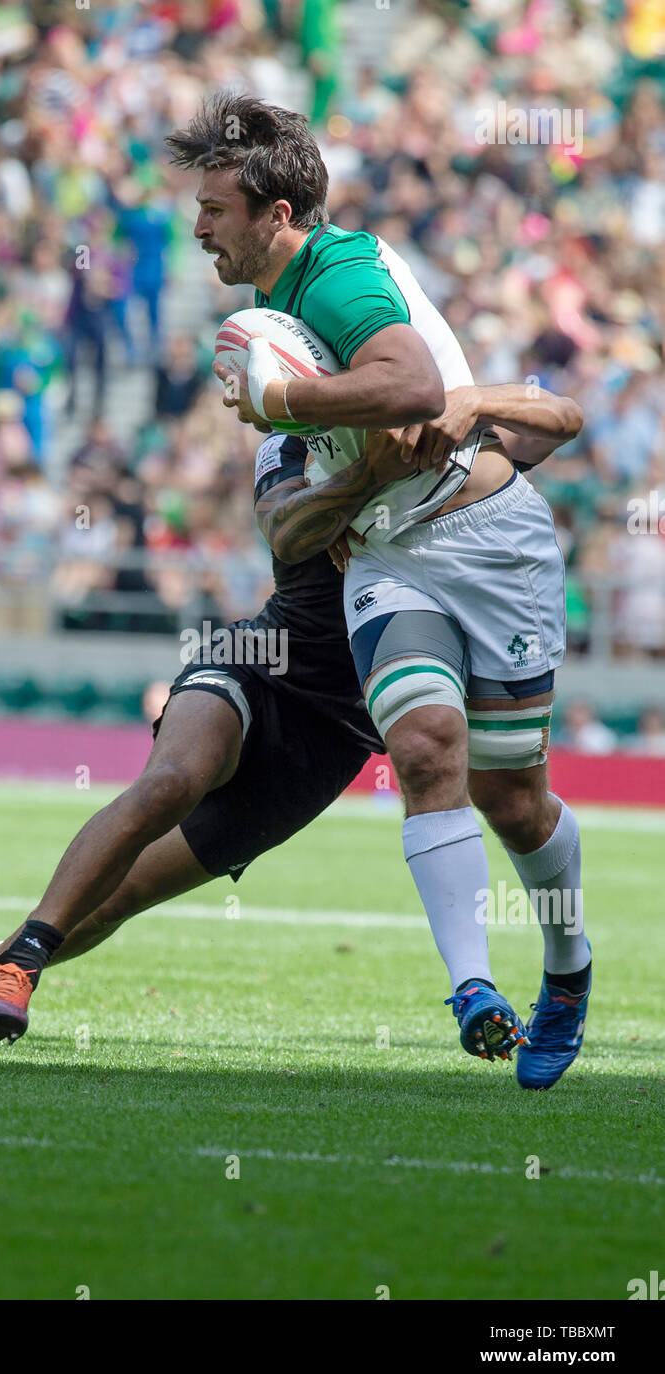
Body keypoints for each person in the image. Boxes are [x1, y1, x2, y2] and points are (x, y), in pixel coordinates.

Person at [0, 379, 581, 1089]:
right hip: (265, 661)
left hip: (334, 733)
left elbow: (554, 418)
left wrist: (472, 403)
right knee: (170, 781)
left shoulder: (426, 408)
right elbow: (291, 532)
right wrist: (368, 475)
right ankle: (19, 966)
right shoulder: (287, 452)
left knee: (116, 897)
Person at [174, 93, 590, 1085]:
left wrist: (291, 398)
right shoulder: (276, 328)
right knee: (422, 747)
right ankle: (473, 987)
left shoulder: (340, 270)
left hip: (490, 543)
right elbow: (290, 525)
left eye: (216, 209)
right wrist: (346, 476)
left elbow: (408, 387)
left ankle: (567, 968)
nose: (198, 228)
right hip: (388, 561)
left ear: (276, 214)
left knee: (514, 798)